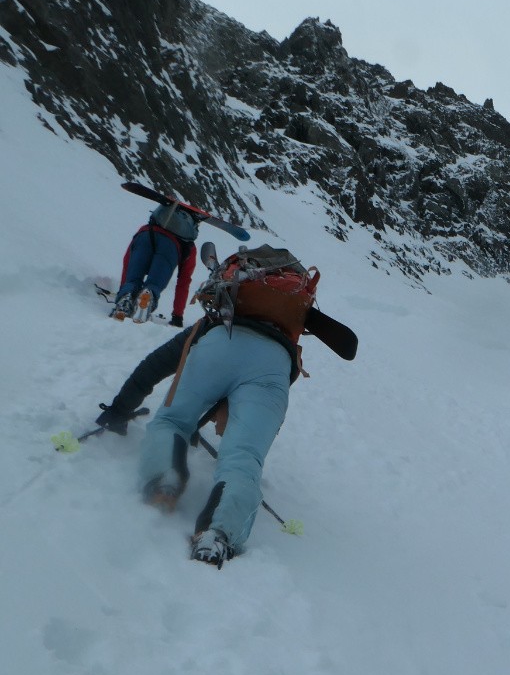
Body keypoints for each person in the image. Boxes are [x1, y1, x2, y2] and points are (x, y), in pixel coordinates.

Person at [134, 245, 355, 567]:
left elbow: (156, 364)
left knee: (173, 420)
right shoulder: (293, 312)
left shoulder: (212, 320)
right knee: (244, 457)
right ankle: (219, 533)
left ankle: (164, 480)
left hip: (218, 344)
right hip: (274, 363)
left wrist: (118, 408)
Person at [110, 202, 199, 324]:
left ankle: (126, 299)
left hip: (146, 236)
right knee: (154, 285)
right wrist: (177, 316)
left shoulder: (145, 227)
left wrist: (122, 289)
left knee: (132, 280)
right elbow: (184, 281)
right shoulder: (189, 246)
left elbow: (127, 261)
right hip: (170, 248)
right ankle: (147, 297)